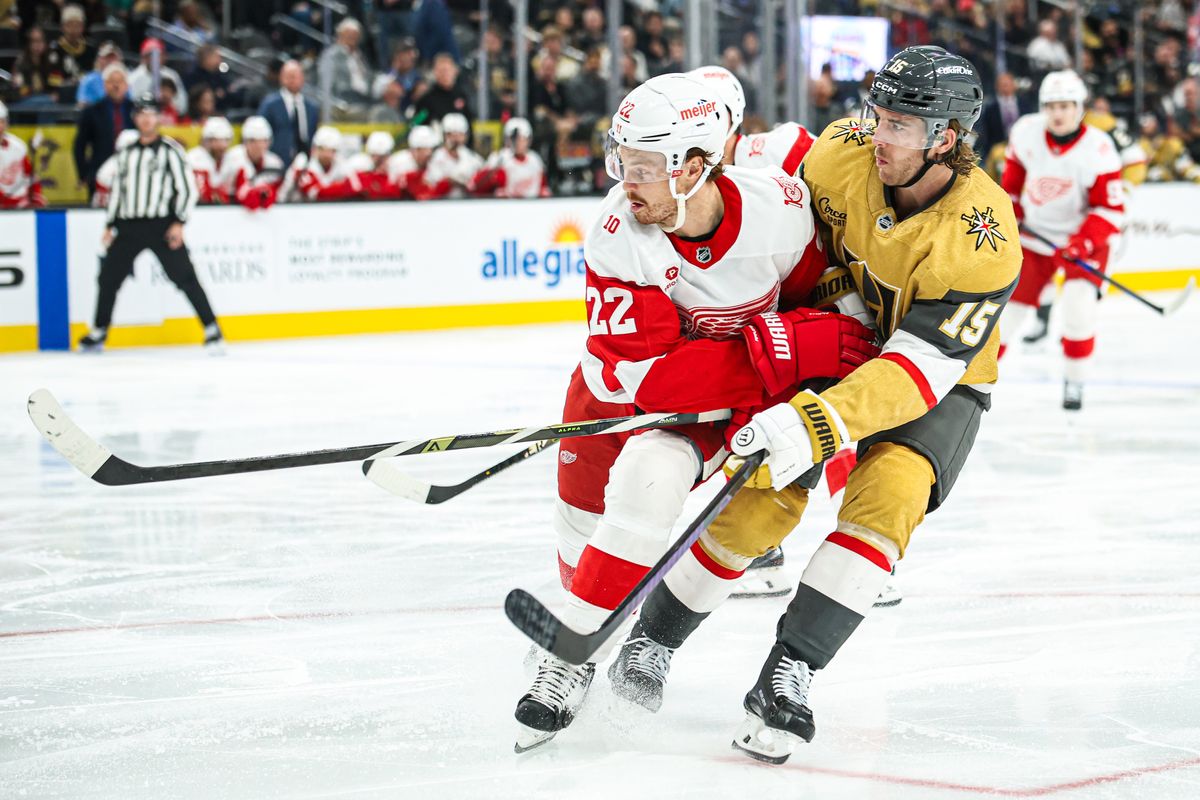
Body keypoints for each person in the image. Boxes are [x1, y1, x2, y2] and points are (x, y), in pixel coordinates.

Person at [512, 73, 878, 753]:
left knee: (654, 481)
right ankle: (585, 631)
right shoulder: (620, 234)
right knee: (581, 551)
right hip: (608, 405)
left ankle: (571, 653)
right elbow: (654, 382)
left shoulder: (780, 211)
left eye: (645, 166)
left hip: (716, 409)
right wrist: (783, 346)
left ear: (697, 165)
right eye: (621, 161)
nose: (626, 181)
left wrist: (808, 338)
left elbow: (819, 308)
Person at [702, 46, 1019, 764]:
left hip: (938, 371)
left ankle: (791, 673)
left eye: (902, 124)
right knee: (758, 497)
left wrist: (820, 421)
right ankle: (650, 644)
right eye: (880, 114)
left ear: (946, 137)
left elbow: (917, 367)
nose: (880, 133)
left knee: (890, 499)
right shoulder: (843, 149)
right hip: (842, 334)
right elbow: (787, 238)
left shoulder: (984, 234)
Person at [997, 70, 1125, 411]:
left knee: (1078, 310)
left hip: (1084, 242)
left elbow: (1110, 211)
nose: (1058, 113)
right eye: (1052, 105)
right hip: (1036, 239)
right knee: (1008, 313)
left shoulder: (1099, 148)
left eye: (1066, 105)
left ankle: (1075, 380)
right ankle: (975, 377)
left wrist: (1082, 243)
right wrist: (1013, 210)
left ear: (1080, 107)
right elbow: (1011, 185)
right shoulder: (1026, 132)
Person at [78, 94, 223, 353]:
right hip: (128, 226)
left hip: (161, 226)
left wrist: (178, 222)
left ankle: (211, 328)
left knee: (185, 277)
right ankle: (99, 330)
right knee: (108, 278)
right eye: (141, 114)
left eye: (151, 113)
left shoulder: (170, 151)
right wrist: (110, 224)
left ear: (158, 118)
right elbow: (119, 192)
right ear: (135, 118)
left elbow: (187, 190)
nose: (146, 118)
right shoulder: (126, 153)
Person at [74, 63, 134, 199]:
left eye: (120, 81)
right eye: (112, 82)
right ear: (105, 85)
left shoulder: (136, 110)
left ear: (127, 85)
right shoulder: (91, 111)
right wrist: (84, 174)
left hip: (131, 174)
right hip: (99, 174)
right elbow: (79, 145)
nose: (116, 85)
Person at [257, 60, 320, 166]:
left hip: (305, 163)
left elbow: (313, 135)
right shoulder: (270, 104)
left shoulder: (312, 107)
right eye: (289, 76)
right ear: (281, 78)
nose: (293, 80)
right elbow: (261, 132)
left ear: (302, 79)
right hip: (276, 161)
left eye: (296, 76)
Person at [218, 115, 285, 210]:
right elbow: (224, 190)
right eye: (253, 141)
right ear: (245, 142)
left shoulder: (275, 162)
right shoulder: (233, 158)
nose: (258, 146)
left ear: (269, 142)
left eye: (263, 141)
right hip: (232, 210)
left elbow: (280, 194)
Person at [472, 117, 548, 198]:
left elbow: (543, 188)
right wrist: (493, 172)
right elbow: (476, 187)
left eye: (522, 139)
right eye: (514, 139)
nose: (518, 143)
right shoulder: (499, 158)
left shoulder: (535, 159)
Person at [287, 125, 362, 202]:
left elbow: (356, 188)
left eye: (331, 150)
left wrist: (333, 188)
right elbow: (315, 194)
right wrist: (342, 187)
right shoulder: (303, 162)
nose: (326, 154)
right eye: (322, 149)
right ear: (315, 148)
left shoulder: (341, 163)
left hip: (326, 209)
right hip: (294, 208)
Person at [318, 18, 374, 113]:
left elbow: (369, 77)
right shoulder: (331, 55)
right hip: (344, 101)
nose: (352, 38)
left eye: (355, 35)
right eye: (349, 35)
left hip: (365, 99)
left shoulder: (360, 56)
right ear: (340, 36)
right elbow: (325, 86)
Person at [46, 4, 96, 103]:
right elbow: (53, 79)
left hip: (85, 93)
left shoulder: (90, 49)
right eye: (69, 25)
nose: (73, 30)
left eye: (77, 25)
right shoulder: (55, 49)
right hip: (62, 93)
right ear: (62, 27)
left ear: (83, 27)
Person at [426, 112, 483, 198]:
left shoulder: (474, 158)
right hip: (439, 206)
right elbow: (431, 186)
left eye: (459, 134)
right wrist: (451, 181)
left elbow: (479, 187)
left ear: (466, 136)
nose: (456, 139)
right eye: (451, 135)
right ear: (444, 136)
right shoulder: (434, 158)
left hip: (468, 206)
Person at [0, 102, 46, 208]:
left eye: (2, 121)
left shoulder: (18, 146)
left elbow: (30, 175)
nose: (0, 126)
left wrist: (35, 194)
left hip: (19, 203)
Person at [387, 124, 449, 200]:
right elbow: (391, 191)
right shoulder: (398, 162)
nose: (429, 153)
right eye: (425, 149)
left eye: (431, 149)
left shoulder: (436, 161)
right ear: (415, 150)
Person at [128, 39, 188, 117]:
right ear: (144, 57)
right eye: (150, 55)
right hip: (144, 118)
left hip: (169, 120)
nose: (155, 59)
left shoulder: (172, 75)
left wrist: (168, 101)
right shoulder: (134, 77)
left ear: (164, 57)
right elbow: (132, 104)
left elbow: (182, 105)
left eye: (159, 55)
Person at [188, 116, 233, 204]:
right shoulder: (195, 157)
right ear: (206, 141)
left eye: (225, 140)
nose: (222, 145)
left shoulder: (231, 158)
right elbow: (202, 196)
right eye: (216, 140)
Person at [347, 130, 402, 199]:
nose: (380, 161)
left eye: (383, 156)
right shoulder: (358, 167)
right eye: (376, 156)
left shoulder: (397, 168)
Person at [76, 41, 122, 107]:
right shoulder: (88, 80)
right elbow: (82, 105)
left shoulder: (125, 79)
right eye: (106, 58)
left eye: (113, 58)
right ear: (99, 60)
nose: (110, 61)